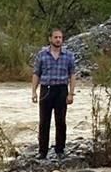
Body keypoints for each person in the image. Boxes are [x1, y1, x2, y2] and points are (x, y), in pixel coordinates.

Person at [32, 28, 77, 160]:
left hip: (62, 90)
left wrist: (71, 94)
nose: (58, 40)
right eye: (56, 37)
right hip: (46, 89)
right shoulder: (42, 54)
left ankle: (60, 150)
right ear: (50, 39)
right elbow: (36, 73)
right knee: (44, 122)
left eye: (60, 37)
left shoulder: (68, 55)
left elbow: (72, 75)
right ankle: (42, 151)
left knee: (61, 121)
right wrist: (34, 91)